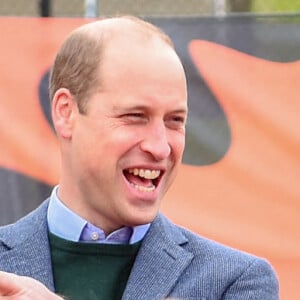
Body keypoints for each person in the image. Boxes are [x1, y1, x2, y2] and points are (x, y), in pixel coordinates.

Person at [0, 16, 279, 300]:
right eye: (135, 116)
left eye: (174, 121)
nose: (160, 147)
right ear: (66, 112)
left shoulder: (234, 281)